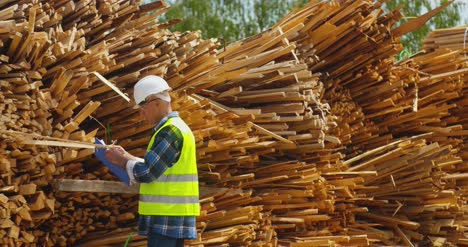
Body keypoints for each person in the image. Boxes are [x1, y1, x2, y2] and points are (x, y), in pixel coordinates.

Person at [105, 75, 200, 247]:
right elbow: (161, 168)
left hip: (166, 217)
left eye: (142, 107)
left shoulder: (170, 131)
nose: (141, 113)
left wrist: (122, 161)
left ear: (156, 102)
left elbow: (147, 172)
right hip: (172, 217)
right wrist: (127, 157)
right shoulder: (177, 128)